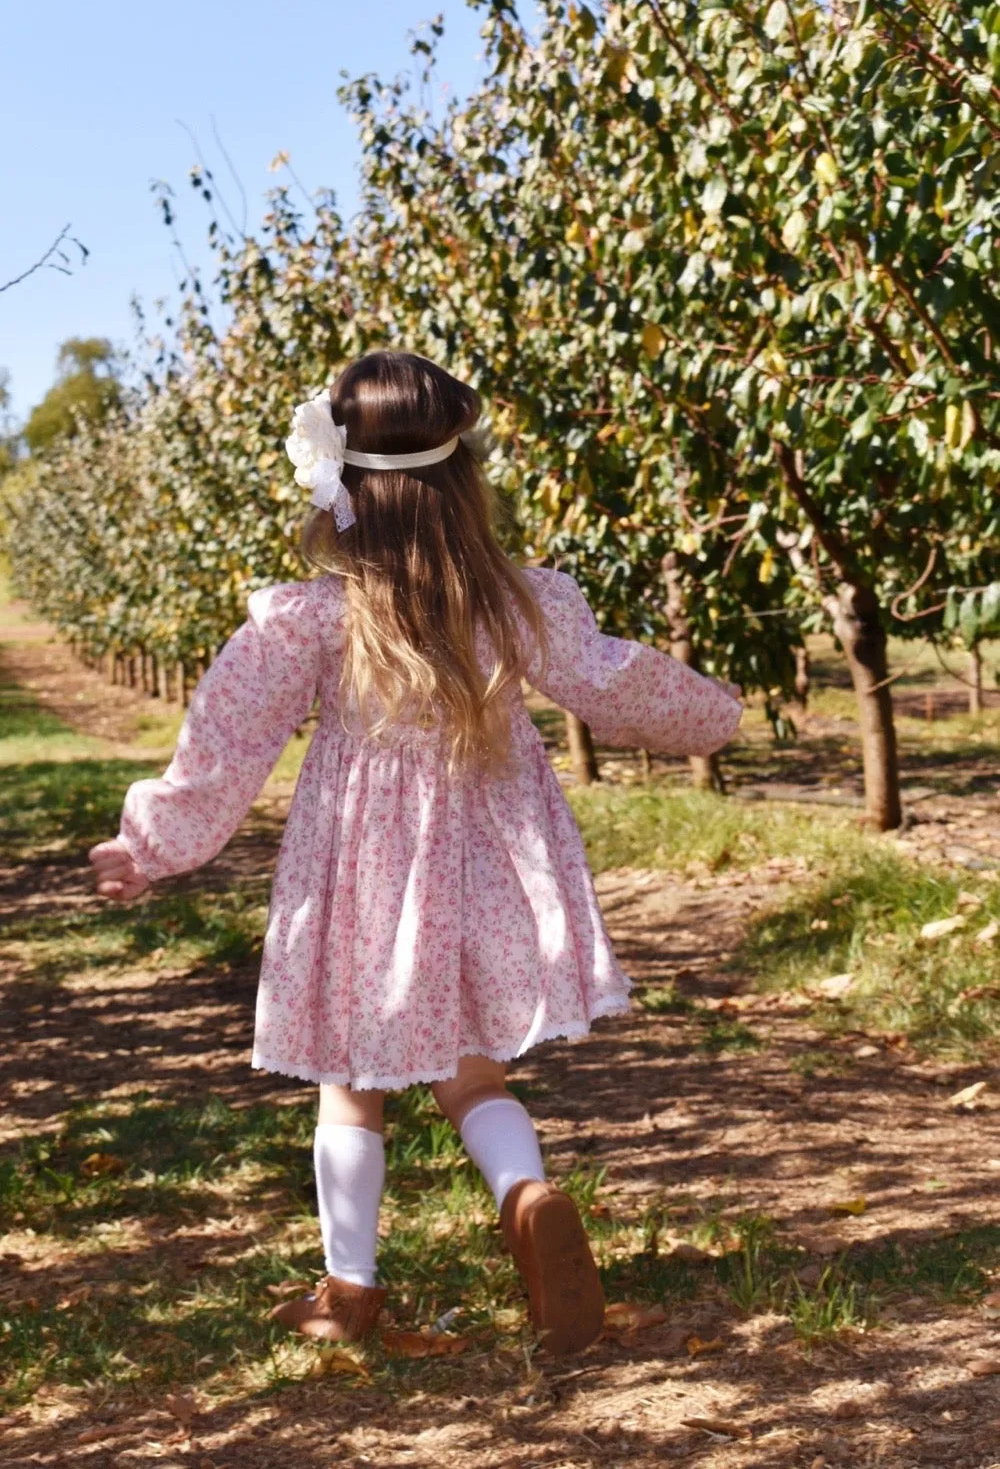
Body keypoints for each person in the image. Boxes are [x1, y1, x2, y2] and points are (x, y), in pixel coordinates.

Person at [90, 351, 742, 1356]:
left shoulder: (309, 618)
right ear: (461, 482)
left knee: (353, 1083)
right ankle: (526, 1198)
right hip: (485, 865)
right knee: (474, 1076)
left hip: (360, 874)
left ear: (342, 483)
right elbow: (615, 681)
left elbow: (225, 744)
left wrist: (151, 843)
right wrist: (713, 718)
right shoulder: (517, 604)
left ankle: (348, 1289)